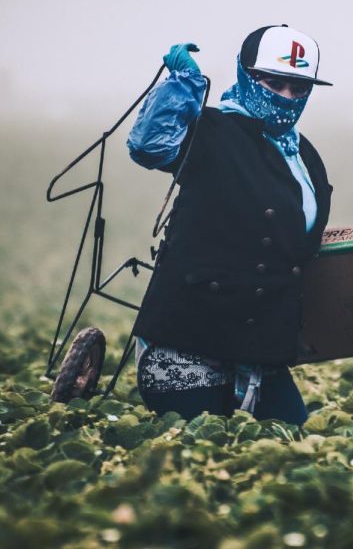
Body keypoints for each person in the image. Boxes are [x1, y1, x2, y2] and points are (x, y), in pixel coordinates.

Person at [126, 25, 333, 426]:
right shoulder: (213, 131)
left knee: (295, 442)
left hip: (259, 351)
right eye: (275, 83)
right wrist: (183, 85)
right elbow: (150, 146)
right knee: (203, 461)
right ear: (246, 75)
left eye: (299, 88)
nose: (287, 98)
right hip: (189, 343)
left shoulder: (304, 154)